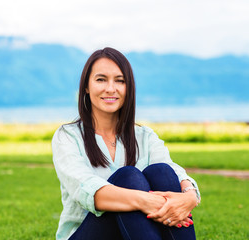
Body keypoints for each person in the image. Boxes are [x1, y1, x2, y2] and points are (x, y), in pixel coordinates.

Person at [52, 47, 201, 240]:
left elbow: (174, 171)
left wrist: (189, 196)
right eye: (101, 79)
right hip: (88, 234)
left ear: (128, 87)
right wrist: (144, 201)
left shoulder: (144, 136)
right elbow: (87, 190)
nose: (111, 88)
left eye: (120, 81)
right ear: (86, 87)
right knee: (128, 177)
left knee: (162, 172)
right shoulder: (68, 136)